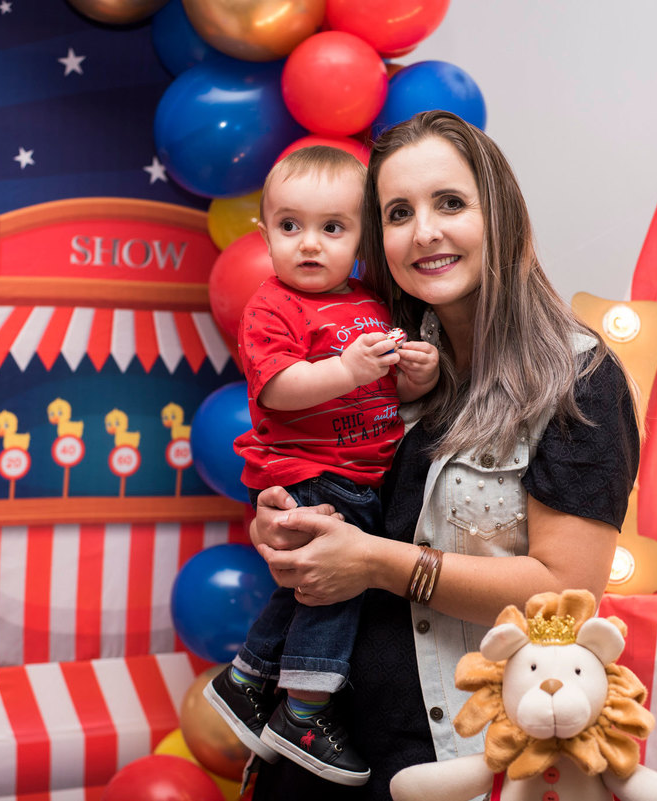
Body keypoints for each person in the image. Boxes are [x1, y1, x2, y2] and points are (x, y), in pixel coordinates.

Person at [245, 111, 640, 800]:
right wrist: (286, 520)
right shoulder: (381, 367)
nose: (424, 231)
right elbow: (326, 480)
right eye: (398, 212)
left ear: (501, 214)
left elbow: (565, 595)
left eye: (450, 203)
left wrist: (374, 561)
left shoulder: (577, 379)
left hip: (446, 761)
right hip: (316, 746)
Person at [204, 145, 440, 788]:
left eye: (331, 228)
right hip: (310, 469)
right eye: (290, 226)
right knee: (336, 588)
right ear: (265, 230)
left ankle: (248, 678)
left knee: (306, 586)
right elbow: (279, 388)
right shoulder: (272, 306)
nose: (309, 245)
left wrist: (413, 379)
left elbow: (378, 395)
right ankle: (304, 711)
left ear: (363, 235)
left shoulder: (370, 304)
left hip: (362, 469)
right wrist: (348, 368)